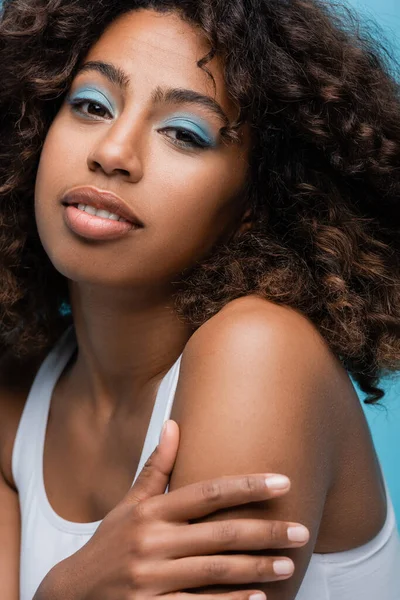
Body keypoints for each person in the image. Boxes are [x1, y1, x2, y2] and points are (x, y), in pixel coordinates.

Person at [0, 0, 399, 598]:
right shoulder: (13, 402)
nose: (112, 152)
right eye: (90, 104)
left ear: (253, 205)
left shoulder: (261, 354)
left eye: (184, 133)